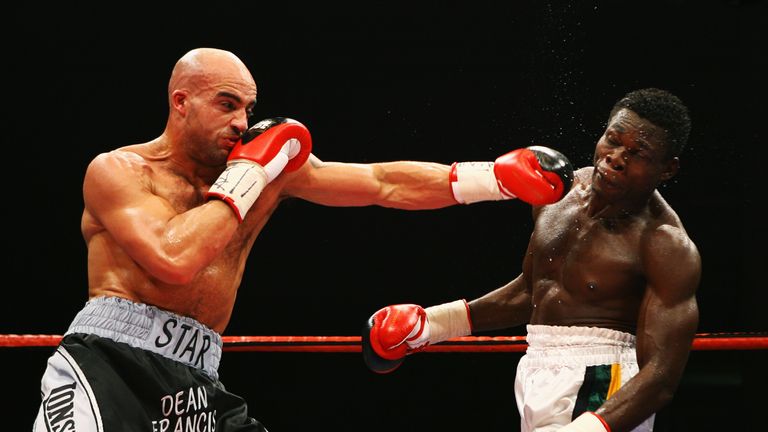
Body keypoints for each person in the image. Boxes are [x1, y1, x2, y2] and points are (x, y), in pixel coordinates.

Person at [33, 47, 575, 432]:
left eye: (248, 107)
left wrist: (494, 179)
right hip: (112, 362)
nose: (243, 122)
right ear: (180, 102)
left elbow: (381, 183)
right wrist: (247, 176)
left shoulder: (267, 170)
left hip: (198, 373)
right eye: (226, 105)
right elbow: (174, 258)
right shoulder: (120, 171)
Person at [363, 88, 701, 432]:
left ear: (667, 169)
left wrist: (590, 428)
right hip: (537, 368)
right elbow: (532, 290)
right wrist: (433, 325)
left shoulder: (665, 245)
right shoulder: (559, 192)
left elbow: (660, 378)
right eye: (613, 139)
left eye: (638, 153)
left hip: (604, 385)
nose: (616, 157)